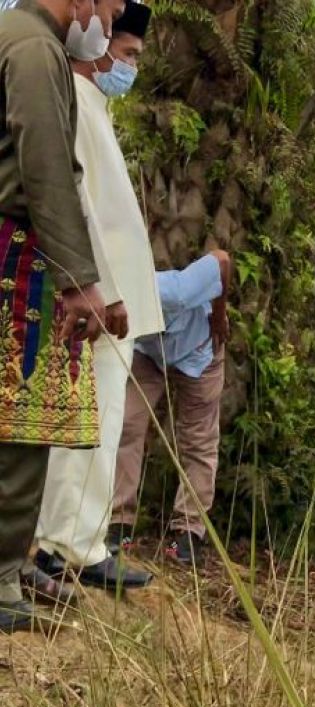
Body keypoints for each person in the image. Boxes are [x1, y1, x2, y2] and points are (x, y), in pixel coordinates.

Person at [28, 0, 162, 603]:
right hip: (98, 297)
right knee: (85, 425)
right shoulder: (74, 98)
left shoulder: (95, 104)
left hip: (110, 296)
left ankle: (85, 539)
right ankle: (66, 545)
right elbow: (79, 207)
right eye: (126, 52)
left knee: (103, 424)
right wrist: (100, 288)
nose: (128, 64)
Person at [0, 0, 126, 633]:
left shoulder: (29, 41)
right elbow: (45, 169)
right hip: (16, 263)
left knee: (27, 416)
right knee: (19, 418)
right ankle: (0, 573)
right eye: (107, 6)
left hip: (24, 255)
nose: (106, 20)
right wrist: (80, 280)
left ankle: (13, 560)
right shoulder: (32, 47)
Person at [110, 251, 233, 567]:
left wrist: (218, 315)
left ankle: (188, 532)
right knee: (126, 425)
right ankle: (118, 522)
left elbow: (221, 261)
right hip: (149, 356)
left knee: (199, 441)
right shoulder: (114, 297)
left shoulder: (173, 289)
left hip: (200, 355)